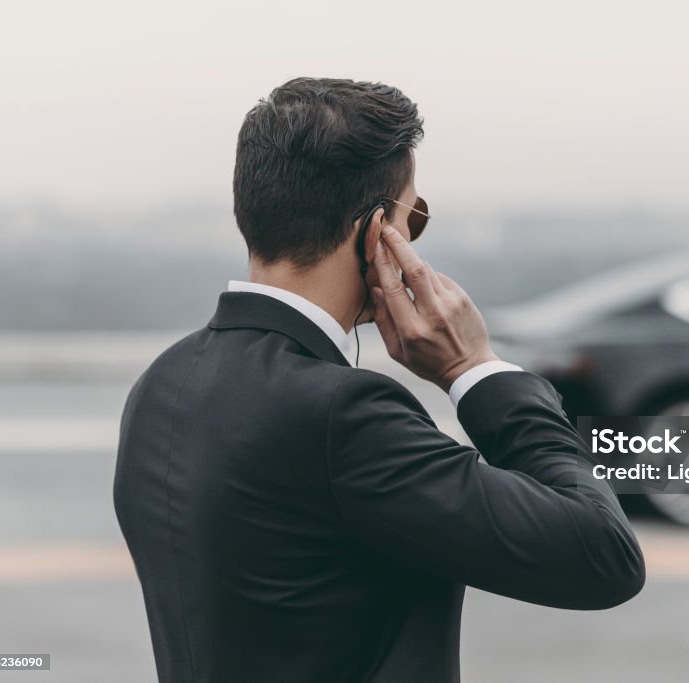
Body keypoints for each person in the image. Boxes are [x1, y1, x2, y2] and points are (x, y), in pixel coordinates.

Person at [113, 77, 645, 683]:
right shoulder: (343, 414)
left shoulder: (162, 383)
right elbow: (601, 556)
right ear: (376, 233)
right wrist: (476, 370)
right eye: (412, 216)